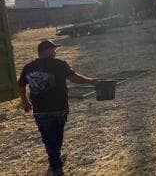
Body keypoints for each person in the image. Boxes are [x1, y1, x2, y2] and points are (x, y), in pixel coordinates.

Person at [18, 40, 98, 176]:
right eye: (53, 49)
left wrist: (25, 102)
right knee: (55, 136)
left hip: (40, 110)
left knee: (50, 137)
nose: (55, 52)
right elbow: (75, 79)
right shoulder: (59, 64)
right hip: (59, 108)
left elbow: (20, 85)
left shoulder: (28, 67)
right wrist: (91, 81)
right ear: (47, 50)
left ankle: (55, 161)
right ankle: (56, 167)